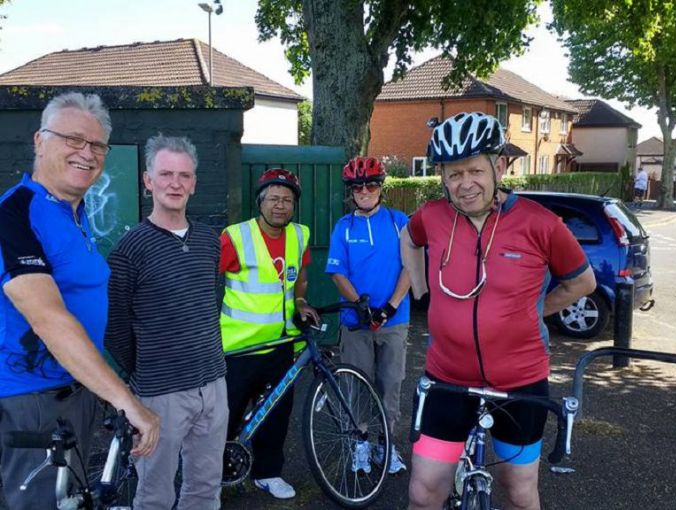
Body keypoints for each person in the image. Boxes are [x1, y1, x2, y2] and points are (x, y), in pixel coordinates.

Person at [401, 112, 596, 510]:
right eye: (454, 174)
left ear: (500, 165)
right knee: (423, 493)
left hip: (520, 382)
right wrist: (423, 291)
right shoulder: (432, 215)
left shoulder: (540, 223)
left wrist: (533, 310)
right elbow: (408, 238)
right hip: (446, 377)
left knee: (520, 492)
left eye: (474, 170)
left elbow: (583, 283)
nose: (464, 183)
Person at [0, 92, 160, 510]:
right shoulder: (14, 214)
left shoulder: (75, 212)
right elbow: (49, 318)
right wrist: (126, 399)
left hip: (75, 393)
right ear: (39, 140)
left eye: (96, 145)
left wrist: (100, 388)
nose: (86, 153)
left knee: (72, 499)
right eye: (72, 139)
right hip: (31, 403)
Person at [105, 134, 228, 509]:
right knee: (155, 493)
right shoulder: (129, 249)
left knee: (205, 488)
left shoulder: (210, 240)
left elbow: (211, 301)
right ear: (148, 180)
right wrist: (146, 376)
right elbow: (116, 329)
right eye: (166, 174)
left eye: (184, 175)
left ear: (193, 183)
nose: (175, 183)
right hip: (160, 394)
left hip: (213, 385)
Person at [219, 168, 319, 500]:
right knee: (225, 417)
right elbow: (206, 277)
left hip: (281, 344)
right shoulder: (235, 236)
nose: (280, 206)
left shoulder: (300, 235)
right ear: (260, 201)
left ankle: (268, 473)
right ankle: (212, 477)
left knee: (276, 414)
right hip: (239, 346)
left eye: (287, 200)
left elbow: (300, 275)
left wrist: (301, 300)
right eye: (274, 198)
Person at [325, 156, 411, 474]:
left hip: (394, 320)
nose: (364, 191)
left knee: (390, 385)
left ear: (381, 188)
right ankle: (359, 445)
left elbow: (410, 268)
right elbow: (337, 273)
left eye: (371, 184)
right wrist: (361, 306)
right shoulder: (344, 227)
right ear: (351, 192)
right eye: (357, 186)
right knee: (357, 385)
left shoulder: (398, 221)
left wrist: (389, 306)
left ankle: (383, 445)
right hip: (356, 321)